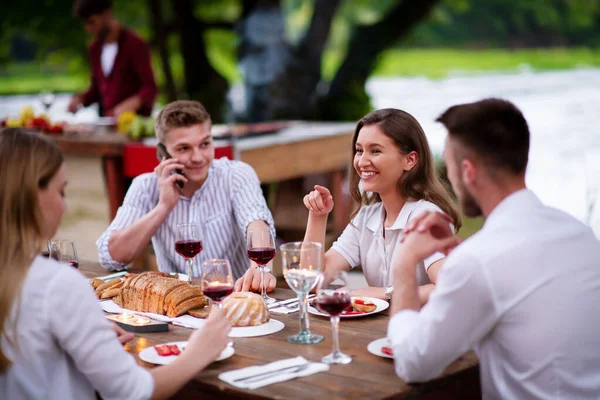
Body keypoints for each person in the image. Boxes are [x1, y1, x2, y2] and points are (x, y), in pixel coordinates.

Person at [388, 98, 600, 398]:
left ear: (468, 171)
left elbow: (413, 363)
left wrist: (405, 262)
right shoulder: (579, 233)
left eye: (448, 166)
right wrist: (460, 258)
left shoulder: (481, 259)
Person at [0, 128, 231, 399]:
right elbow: (134, 393)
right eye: (61, 192)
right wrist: (200, 351)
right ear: (32, 196)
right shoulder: (58, 283)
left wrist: (86, 333)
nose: (64, 206)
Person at [97, 100, 277, 292]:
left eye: (205, 144)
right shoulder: (145, 186)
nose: (198, 157)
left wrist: (261, 269)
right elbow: (111, 257)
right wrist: (163, 207)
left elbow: (256, 223)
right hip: (176, 306)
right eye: (184, 148)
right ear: (162, 153)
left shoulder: (236, 174)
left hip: (234, 298)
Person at [303, 108, 461, 303]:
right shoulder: (366, 218)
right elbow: (311, 282)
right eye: (359, 150)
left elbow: (448, 286)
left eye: (375, 151)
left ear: (410, 160)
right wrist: (318, 217)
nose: (362, 161)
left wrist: (386, 293)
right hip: (376, 330)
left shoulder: (427, 218)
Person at [67, 0, 157, 117]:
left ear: (107, 14)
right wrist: (80, 99)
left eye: (91, 22)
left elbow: (149, 88)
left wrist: (133, 103)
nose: (88, 29)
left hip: (134, 125)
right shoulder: (94, 49)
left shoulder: (135, 45)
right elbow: (97, 90)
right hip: (106, 125)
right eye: (85, 24)